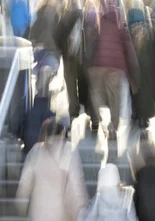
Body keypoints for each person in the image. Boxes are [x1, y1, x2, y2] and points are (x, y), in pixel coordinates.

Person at [85, 0, 140, 146]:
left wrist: (86, 64)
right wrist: (134, 74)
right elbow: (128, 46)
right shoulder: (119, 21)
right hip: (116, 67)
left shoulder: (95, 19)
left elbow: (90, 42)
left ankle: (104, 121)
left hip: (97, 66)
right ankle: (113, 127)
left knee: (96, 93)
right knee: (116, 99)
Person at [55, 0, 99, 131]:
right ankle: (94, 118)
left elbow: (57, 37)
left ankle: (73, 115)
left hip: (69, 58)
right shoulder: (86, 16)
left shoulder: (64, 17)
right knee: (89, 86)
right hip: (85, 57)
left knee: (71, 87)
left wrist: (63, 50)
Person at [127, 4, 155, 129]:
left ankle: (136, 113)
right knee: (149, 91)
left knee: (134, 91)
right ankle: (144, 117)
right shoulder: (150, 29)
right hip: (150, 67)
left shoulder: (128, 32)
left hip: (133, 68)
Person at [30, 0, 63, 98]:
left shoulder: (40, 13)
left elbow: (33, 33)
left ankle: (42, 100)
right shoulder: (55, 14)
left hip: (44, 51)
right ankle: (42, 101)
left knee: (43, 75)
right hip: (50, 51)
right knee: (45, 74)